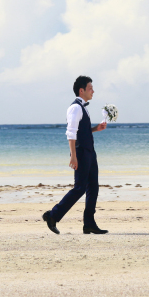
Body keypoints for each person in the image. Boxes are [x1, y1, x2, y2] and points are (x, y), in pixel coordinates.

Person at [43, 75, 108, 235]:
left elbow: (82, 130)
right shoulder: (75, 108)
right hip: (80, 152)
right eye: (90, 88)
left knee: (93, 187)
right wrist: (73, 156)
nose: (93, 90)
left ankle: (89, 224)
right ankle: (52, 215)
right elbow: (70, 133)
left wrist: (95, 129)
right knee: (80, 188)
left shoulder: (83, 107)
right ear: (82, 90)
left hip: (90, 152)